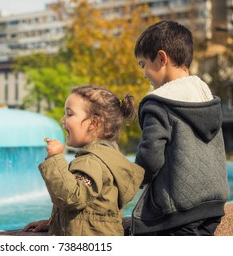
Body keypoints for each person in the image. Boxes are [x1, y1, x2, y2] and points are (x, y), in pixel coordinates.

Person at [131, 20, 230, 236]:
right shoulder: (206, 97)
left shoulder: (158, 103)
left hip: (177, 212)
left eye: (143, 64)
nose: (144, 73)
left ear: (161, 58)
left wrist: (129, 182)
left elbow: (150, 158)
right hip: (212, 209)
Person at [23, 85, 145, 236]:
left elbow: (72, 197)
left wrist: (55, 159)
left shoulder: (92, 162)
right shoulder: (106, 157)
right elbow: (88, 212)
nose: (62, 120)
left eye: (69, 114)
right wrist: (53, 223)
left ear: (93, 123)